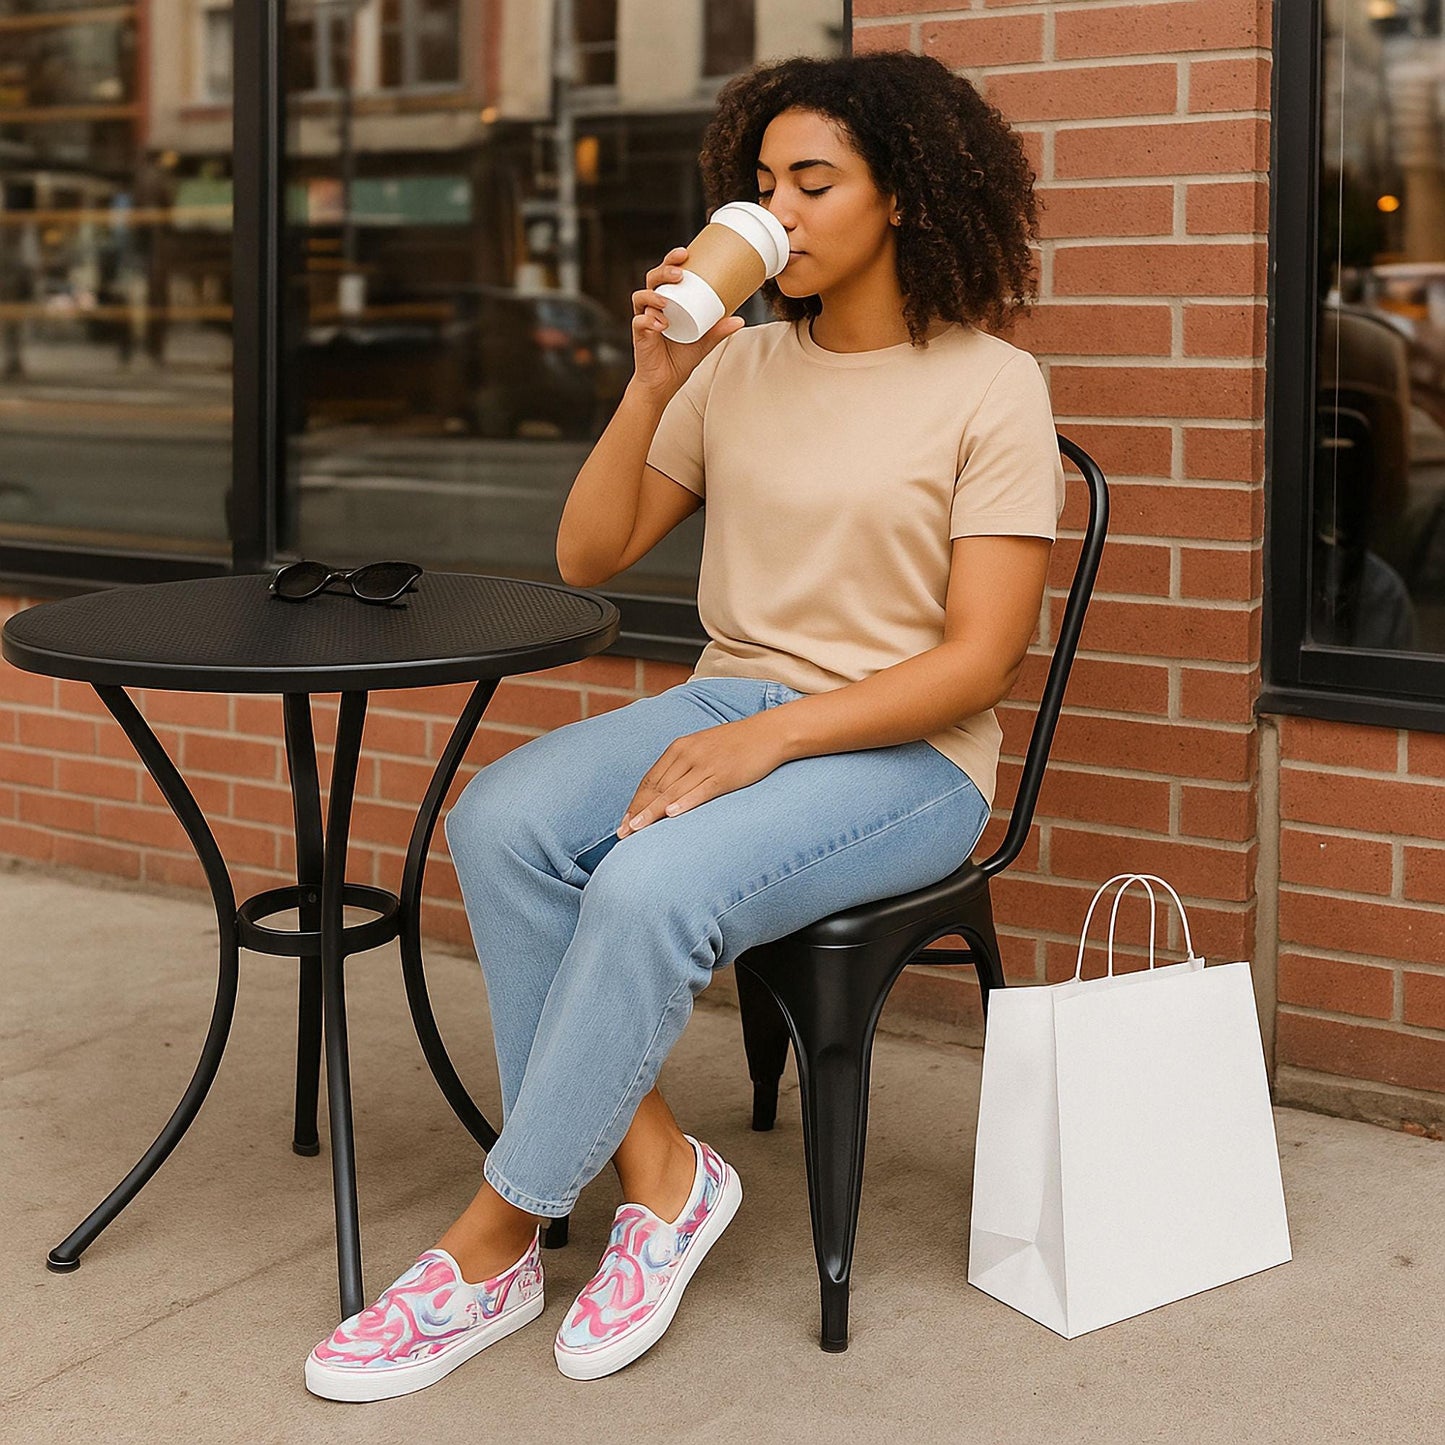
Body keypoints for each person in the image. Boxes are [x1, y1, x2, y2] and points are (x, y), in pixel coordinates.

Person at [304, 49, 1065, 1402]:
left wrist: (769, 741)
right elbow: (589, 551)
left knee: (649, 883)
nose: (776, 207)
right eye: (761, 182)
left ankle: (498, 1236)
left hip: (903, 753)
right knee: (501, 824)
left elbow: (977, 662)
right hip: (734, 692)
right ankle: (661, 1173)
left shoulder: (989, 383)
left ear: (902, 198)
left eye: (812, 181)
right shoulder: (740, 363)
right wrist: (655, 377)